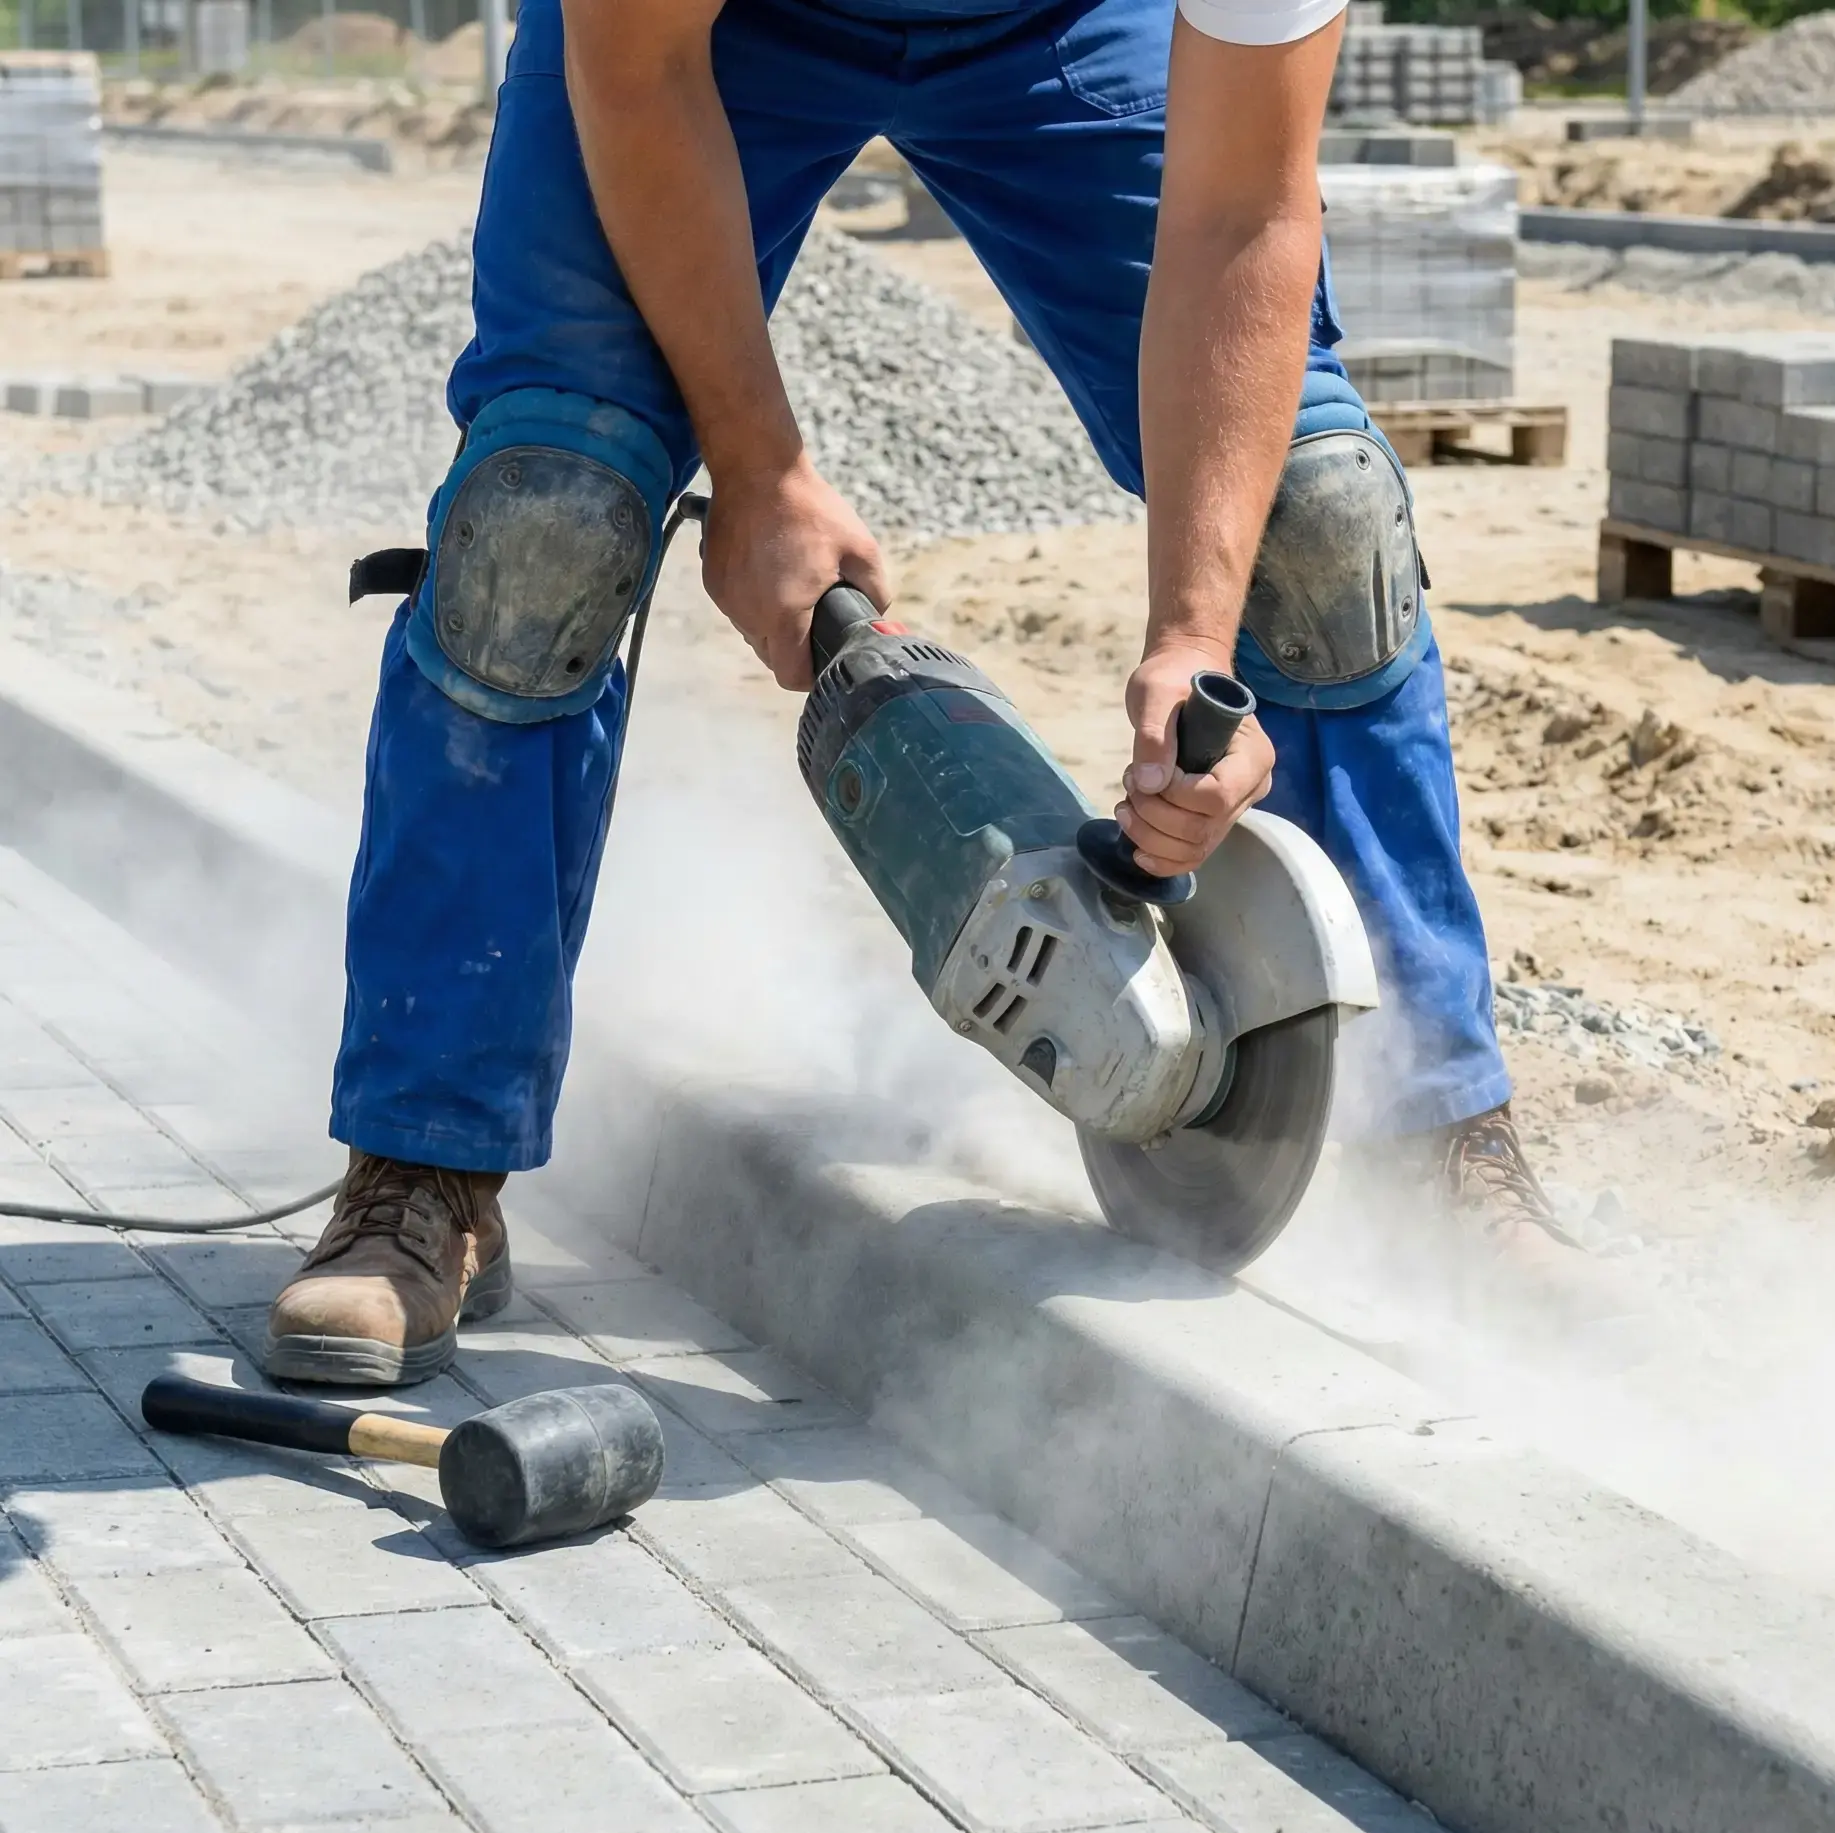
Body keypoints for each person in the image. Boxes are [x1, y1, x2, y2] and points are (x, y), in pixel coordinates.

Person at [264, 0, 1575, 1387]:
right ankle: (426, 1163)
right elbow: (637, 68)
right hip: (702, 35)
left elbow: (1244, 210)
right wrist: (759, 473)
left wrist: (1197, 635)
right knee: (548, 520)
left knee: (1316, 521)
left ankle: (1425, 1138)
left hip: (1065, 23)